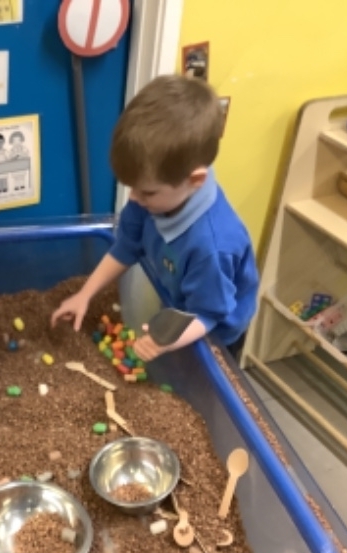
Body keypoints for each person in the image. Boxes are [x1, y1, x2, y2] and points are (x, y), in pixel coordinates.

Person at [51, 75, 259, 363]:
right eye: (131, 187)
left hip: (215, 330)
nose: (134, 198)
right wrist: (84, 294)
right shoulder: (151, 198)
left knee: (199, 369)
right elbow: (126, 247)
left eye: (147, 192)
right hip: (181, 304)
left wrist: (165, 341)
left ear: (194, 180)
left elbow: (208, 314)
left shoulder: (212, 246)